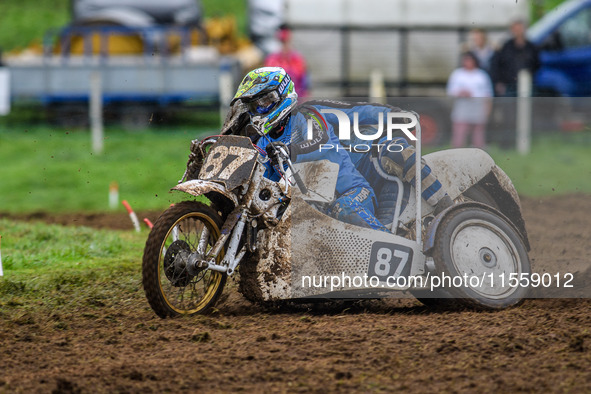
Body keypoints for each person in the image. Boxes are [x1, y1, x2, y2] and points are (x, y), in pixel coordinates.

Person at [221, 67, 452, 231]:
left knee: (391, 156)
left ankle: (448, 211)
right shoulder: (262, 142)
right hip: (307, 208)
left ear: (281, 95)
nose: (259, 109)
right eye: (254, 105)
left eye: (265, 101)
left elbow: (357, 111)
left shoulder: (311, 114)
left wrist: (394, 114)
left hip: (352, 192)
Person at [446, 51, 493, 149]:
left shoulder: (481, 75)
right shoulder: (457, 74)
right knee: (460, 134)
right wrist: (461, 93)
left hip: (477, 107)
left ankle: (479, 156)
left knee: (478, 136)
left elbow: (488, 94)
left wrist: (487, 109)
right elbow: (450, 91)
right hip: (462, 107)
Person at [490, 19, 540, 97]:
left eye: (520, 29)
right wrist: (498, 82)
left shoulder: (531, 47)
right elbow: (496, 65)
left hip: (528, 84)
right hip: (509, 85)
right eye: (516, 29)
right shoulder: (505, 47)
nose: (518, 31)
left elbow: (537, 64)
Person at [264, 25, 309, 97]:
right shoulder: (272, 59)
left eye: (286, 42)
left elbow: (305, 83)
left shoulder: (297, 59)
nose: (284, 45)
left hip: (296, 98)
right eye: (282, 42)